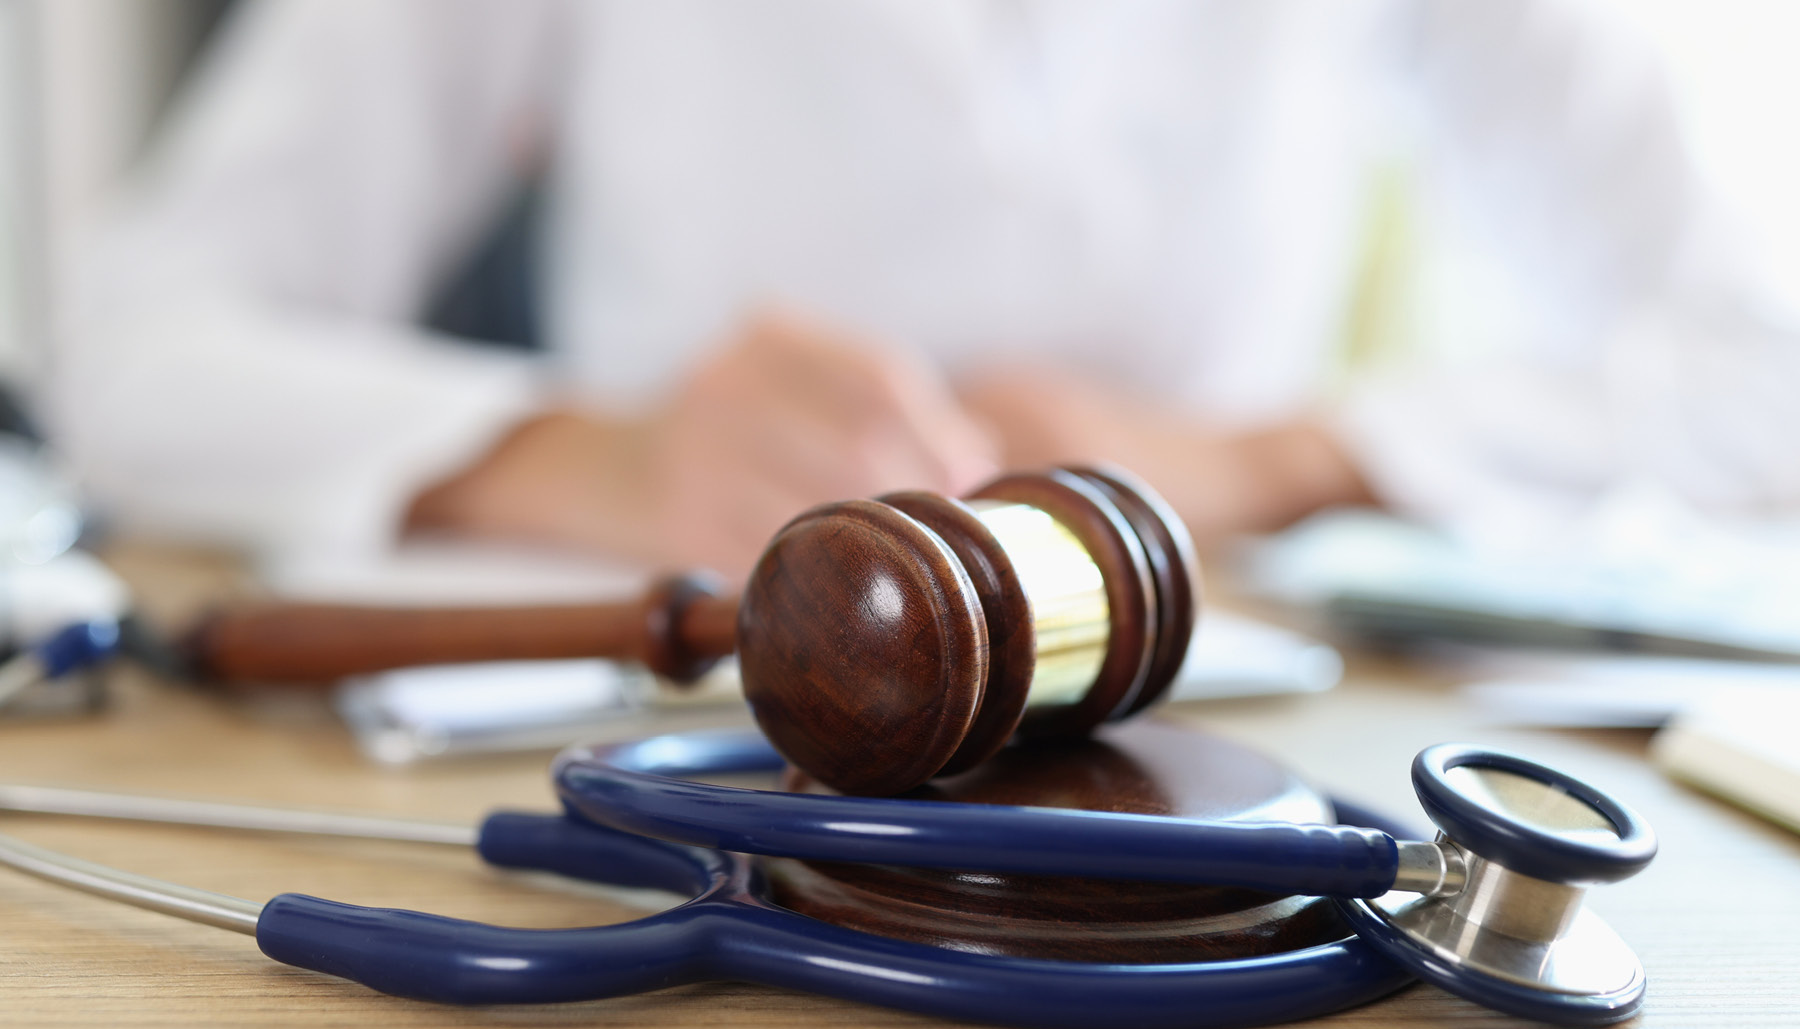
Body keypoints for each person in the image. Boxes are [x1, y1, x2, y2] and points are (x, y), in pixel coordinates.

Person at [52, 0, 1800, 577]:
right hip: (692, 730)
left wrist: (1274, 458)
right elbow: (126, 346)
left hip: (1219, 767)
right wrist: (598, 459)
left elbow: (1764, 371)